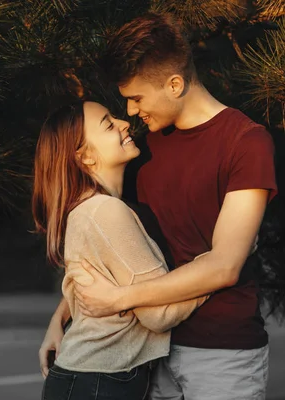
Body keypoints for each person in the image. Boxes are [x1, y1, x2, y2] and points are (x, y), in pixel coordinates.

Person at [39, 13, 278, 400]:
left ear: (175, 84)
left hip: (223, 353)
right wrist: (59, 318)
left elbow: (225, 265)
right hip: (150, 355)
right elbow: (113, 251)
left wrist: (118, 300)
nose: (131, 113)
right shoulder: (141, 149)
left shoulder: (247, 143)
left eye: (136, 98)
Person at [32, 100, 208, 400]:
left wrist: (58, 319)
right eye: (108, 124)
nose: (124, 122)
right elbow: (159, 315)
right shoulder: (105, 212)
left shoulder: (89, 209)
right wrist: (215, 267)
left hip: (90, 380)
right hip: (99, 383)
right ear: (85, 156)